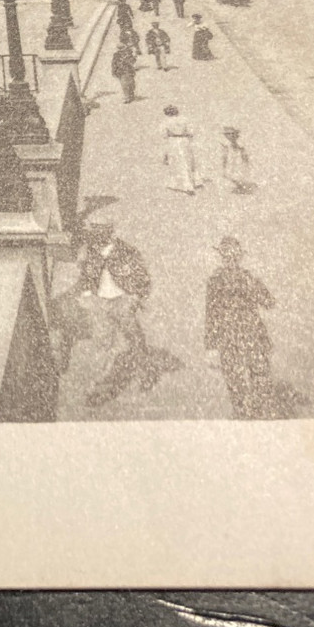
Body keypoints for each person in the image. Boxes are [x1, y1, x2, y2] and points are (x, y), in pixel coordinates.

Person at [75, 223, 165, 408]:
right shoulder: (91, 252)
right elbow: (85, 274)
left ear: (108, 233)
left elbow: (142, 277)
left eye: (98, 231)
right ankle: (99, 386)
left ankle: (146, 372)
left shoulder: (127, 251)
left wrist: (135, 297)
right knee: (103, 343)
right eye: (93, 231)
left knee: (134, 340)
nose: (94, 236)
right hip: (99, 303)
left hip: (123, 301)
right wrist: (86, 293)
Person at [203, 236, 278, 418]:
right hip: (248, 333)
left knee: (241, 378)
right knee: (255, 375)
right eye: (229, 257)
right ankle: (256, 410)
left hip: (234, 335)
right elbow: (268, 302)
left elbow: (212, 314)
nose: (230, 260)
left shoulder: (218, 281)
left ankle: (247, 411)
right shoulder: (245, 278)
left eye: (231, 257)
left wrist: (211, 344)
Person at [162, 105, 200, 194]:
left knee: (177, 162)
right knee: (188, 161)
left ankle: (184, 185)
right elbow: (191, 132)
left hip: (173, 141)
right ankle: (194, 181)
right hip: (184, 140)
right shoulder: (184, 120)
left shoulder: (166, 122)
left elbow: (164, 135)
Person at [219, 126, 253, 193]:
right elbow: (222, 163)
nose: (231, 135)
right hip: (227, 176)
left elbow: (246, 162)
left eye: (233, 133)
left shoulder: (241, 148)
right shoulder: (224, 148)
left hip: (238, 174)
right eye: (228, 134)